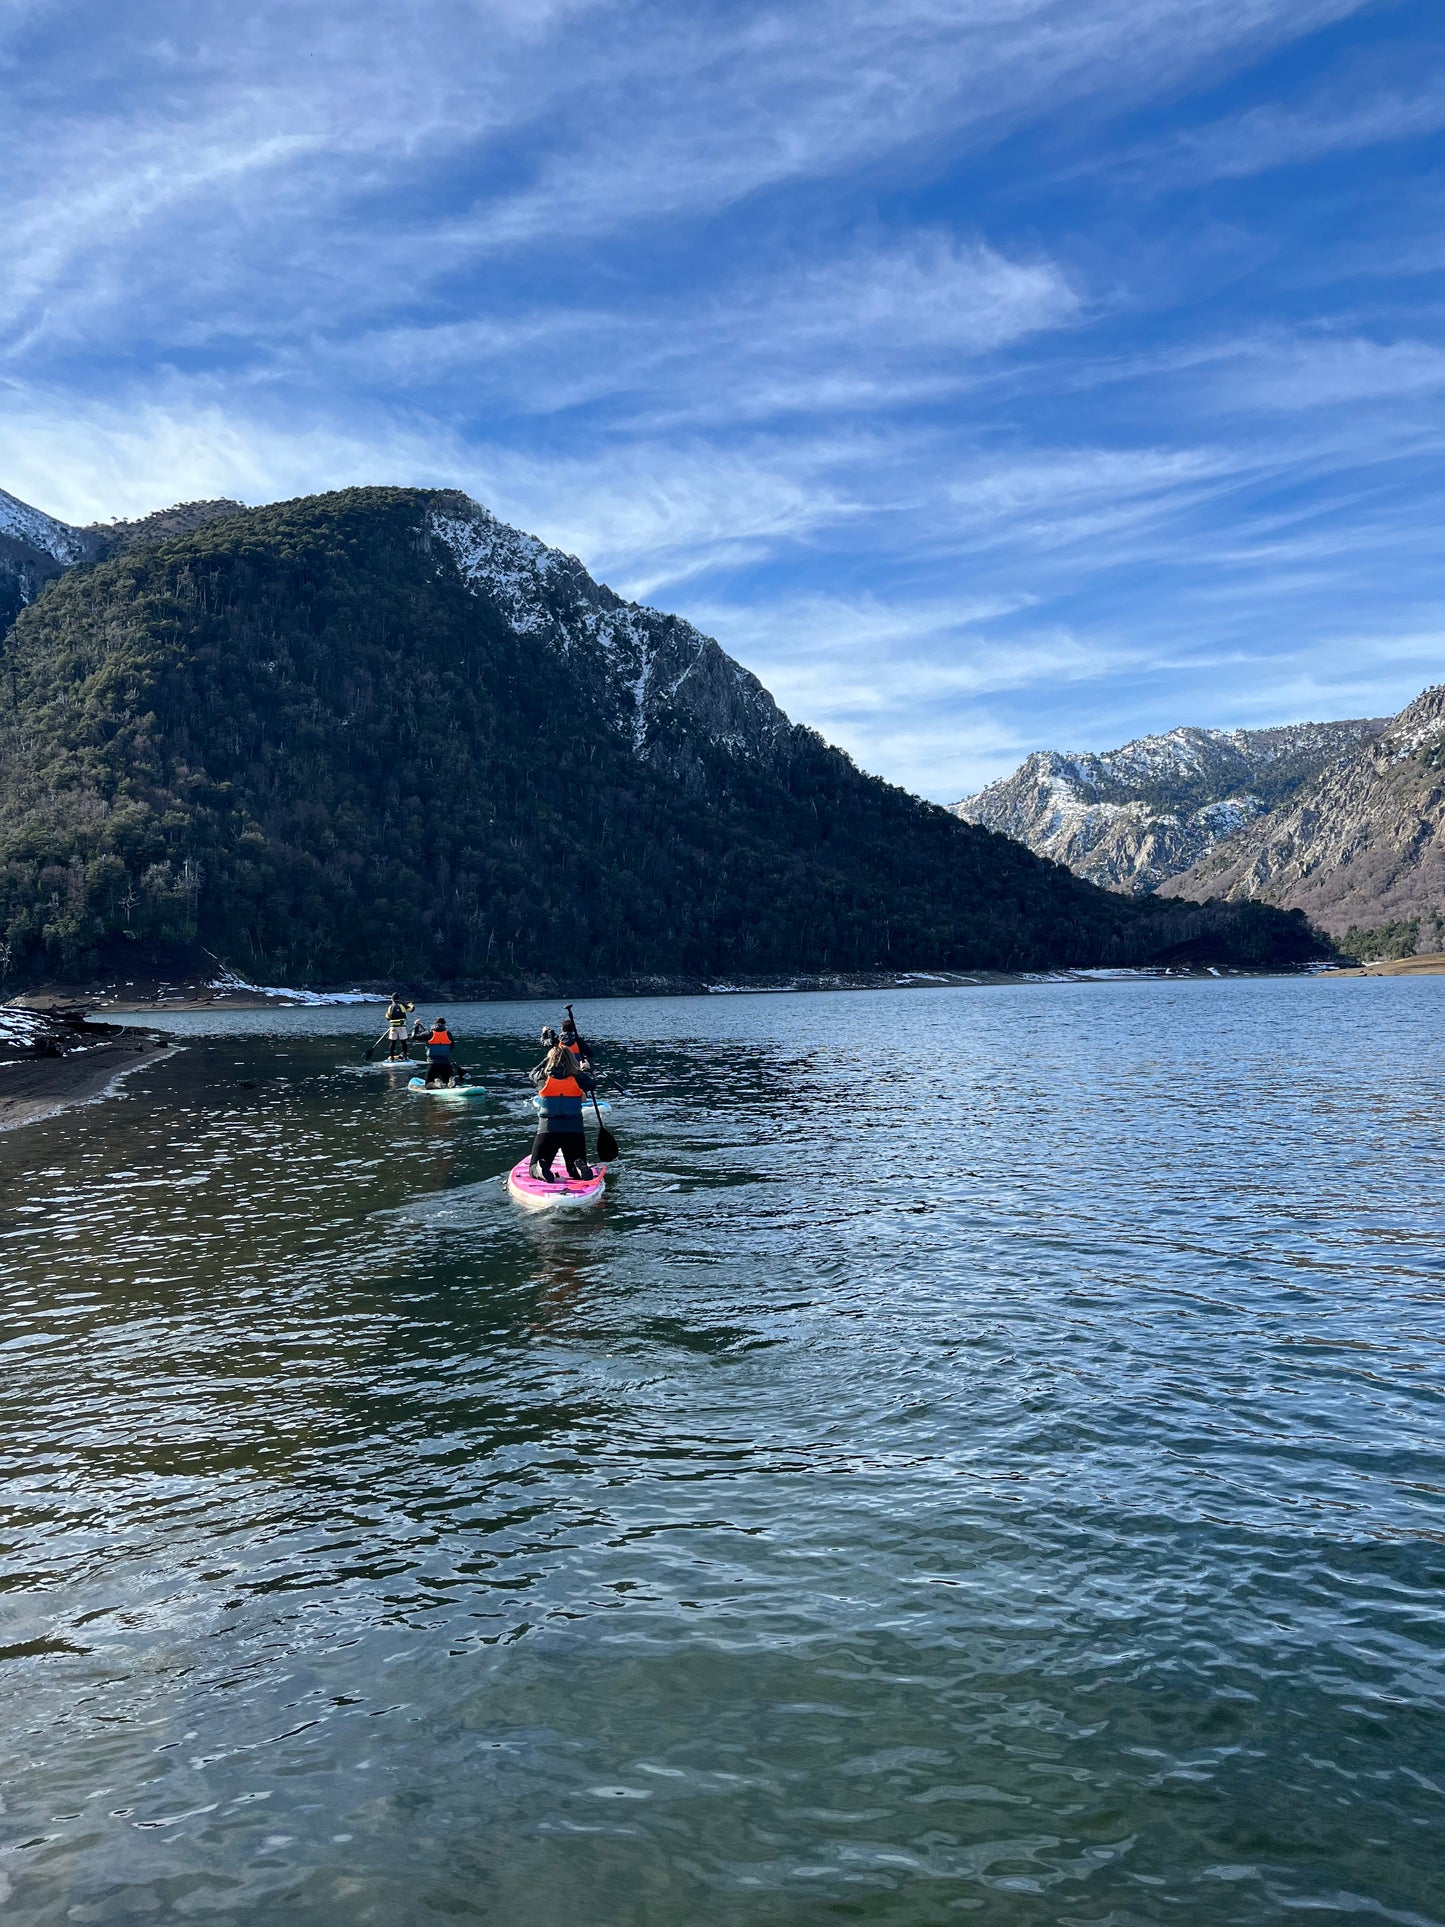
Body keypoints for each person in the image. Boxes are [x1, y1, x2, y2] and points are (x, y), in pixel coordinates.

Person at [528, 1034, 596, 1182]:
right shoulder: (578, 1078)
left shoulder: (542, 1078)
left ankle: (540, 1167)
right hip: (574, 1130)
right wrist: (585, 1070)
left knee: (532, 1167)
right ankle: (579, 1167)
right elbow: (592, 1084)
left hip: (548, 1130)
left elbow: (532, 1073)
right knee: (572, 1170)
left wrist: (550, 1057)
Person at [424, 1017, 459, 1087]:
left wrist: (416, 1025)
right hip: (445, 1062)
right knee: (447, 1081)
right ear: (444, 1024)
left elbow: (413, 1036)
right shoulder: (448, 1033)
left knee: (427, 1085)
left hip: (433, 1063)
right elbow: (452, 1047)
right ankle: (450, 1083)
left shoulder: (429, 1033)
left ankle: (435, 1084)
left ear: (435, 1024)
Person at [384, 993, 414, 1060]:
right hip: (401, 1027)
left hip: (393, 1027)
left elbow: (387, 1017)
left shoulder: (390, 1007)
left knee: (393, 1042)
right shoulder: (402, 1005)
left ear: (392, 999)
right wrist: (411, 1005)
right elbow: (411, 1010)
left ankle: (391, 1057)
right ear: (399, 999)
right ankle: (405, 1056)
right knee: (403, 1042)